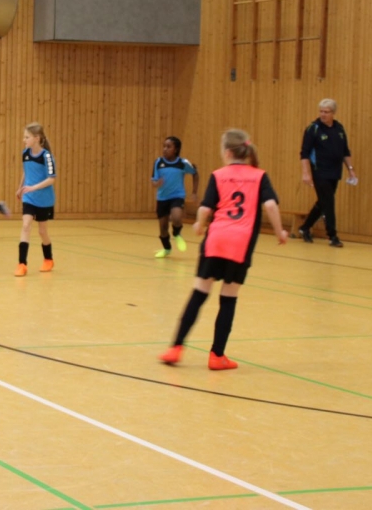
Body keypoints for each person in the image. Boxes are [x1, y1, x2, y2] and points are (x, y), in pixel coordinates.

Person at [159, 130, 288, 370]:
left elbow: (205, 208)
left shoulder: (218, 175)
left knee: (199, 293)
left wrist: (199, 225)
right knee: (228, 297)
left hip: (216, 240)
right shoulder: (260, 176)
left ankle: (175, 348)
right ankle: (217, 356)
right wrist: (280, 231)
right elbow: (270, 205)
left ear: (227, 153)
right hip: (241, 243)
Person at [298, 98, 356, 247]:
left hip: (335, 171)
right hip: (320, 171)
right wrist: (306, 173)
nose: (323, 114)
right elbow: (304, 153)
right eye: (321, 111)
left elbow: (345, 151)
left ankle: (304, 227)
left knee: (323, 202)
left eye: (326, 112)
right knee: (329, 202)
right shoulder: (313, 129)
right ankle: (332, 236)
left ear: (333, 113)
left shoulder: (339, 128)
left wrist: (351, 170)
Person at [15, 123, 57, 277]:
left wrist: (33, 187)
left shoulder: (47, 157)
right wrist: (21, 187)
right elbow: (26, 172)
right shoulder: (25, 153)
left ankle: (48, 259)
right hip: (29, 198)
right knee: (26, 225)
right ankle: (22, 264)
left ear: (36, 138)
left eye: (27, 137)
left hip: (44, 199)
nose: (24, 140)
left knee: (42, 231)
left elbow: (51, 179)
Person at [151, 136, 198, 258]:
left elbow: (195, 173)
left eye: (168, 147)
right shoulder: (158, 162)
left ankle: (177, 233)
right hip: (162, 198)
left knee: (177, 217)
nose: (165, 149)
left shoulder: (182, 163)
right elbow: (153, 181)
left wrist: (194, 192)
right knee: (163, 228)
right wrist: (157, 183)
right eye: (164, 146)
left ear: (176, 149)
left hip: (177, 195)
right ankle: (167, 249)